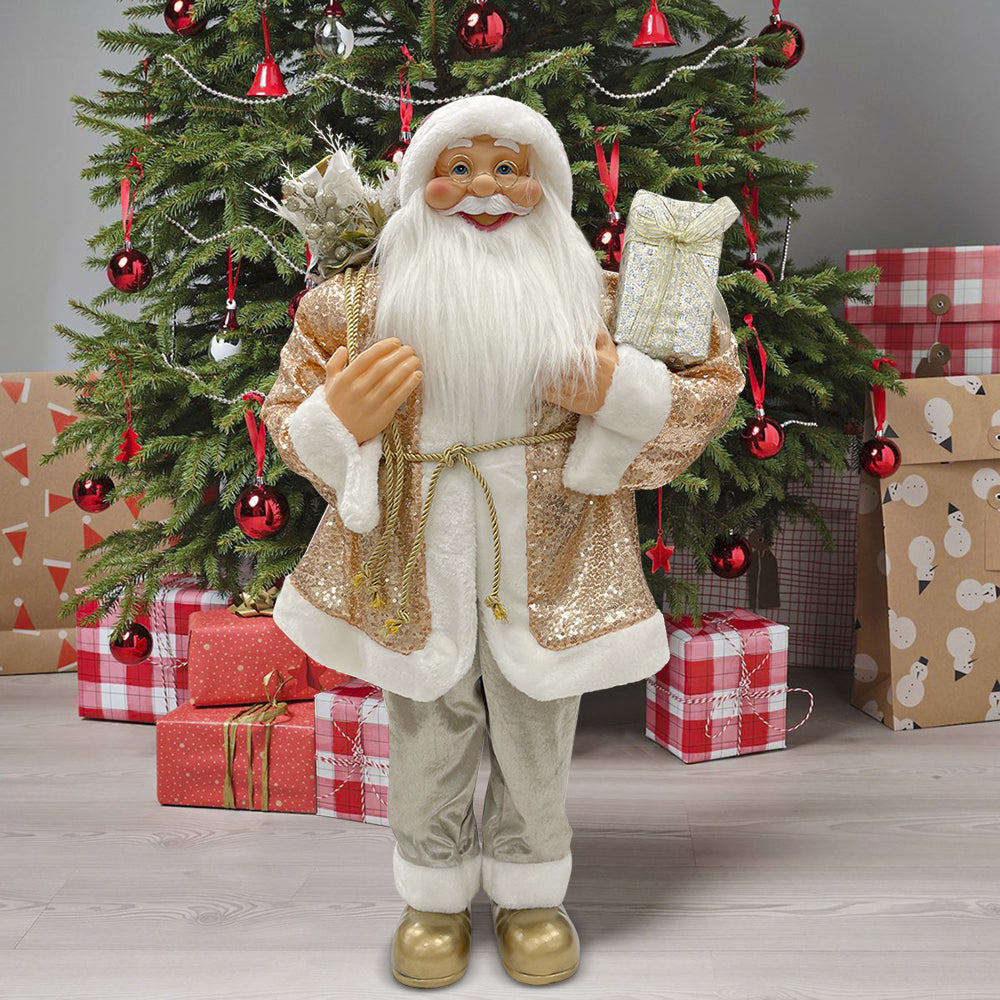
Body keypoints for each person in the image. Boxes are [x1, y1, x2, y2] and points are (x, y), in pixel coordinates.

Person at [261, 94, 744, 988]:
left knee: (536, 723)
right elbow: (289, 411)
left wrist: (620, 390)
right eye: (459, 169)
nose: (485, 189)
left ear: (545, 187)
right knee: (427, 723)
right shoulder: (357, 305)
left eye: (508, 169)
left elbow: (711, 382)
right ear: (420, 187)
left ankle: (531, 889)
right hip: (414, 550)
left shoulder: (598, 299)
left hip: (552, 551)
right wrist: (338, 421)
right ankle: (433, 894)